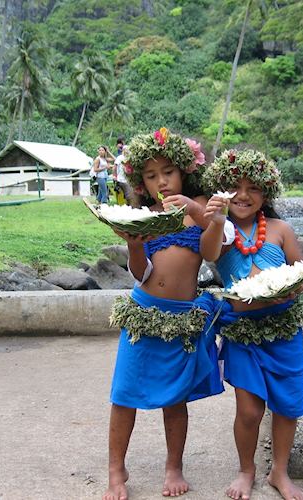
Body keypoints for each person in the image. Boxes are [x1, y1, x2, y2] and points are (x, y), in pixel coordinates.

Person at [103, 128, 219, 500]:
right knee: (125, 392)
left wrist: (198, 210)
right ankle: (116, 469)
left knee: (175, 397)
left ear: (184, 170)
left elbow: (213, 250)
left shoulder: (198, 208)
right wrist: (135, 248)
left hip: (182, 318)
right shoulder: (144, 216)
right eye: (151, 176)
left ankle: (174, 466)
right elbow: (142, 272)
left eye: (167, 172)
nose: (161, 182)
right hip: (144, 312)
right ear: (141, 182)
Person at [201, 149, 303, 500]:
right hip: (242, 333)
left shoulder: (281, 230)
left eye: (253, 188)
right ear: (221, 190)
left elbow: (302, 273)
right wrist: (216, 219)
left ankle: (279, 471)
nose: (244, 195)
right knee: (249, 410)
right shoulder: (221, 231)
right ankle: (246, 469)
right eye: (235, 187)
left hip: (283, 331)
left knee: (287, 404)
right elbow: (209, 255)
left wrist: (288, 290)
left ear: (267, 192)